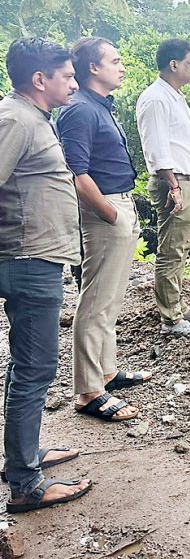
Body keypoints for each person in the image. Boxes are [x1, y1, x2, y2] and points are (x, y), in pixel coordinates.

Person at [0, 37, 92, 513]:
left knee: (26, 366)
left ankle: (23, 455)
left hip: (36, 257)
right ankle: (25, 484)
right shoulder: (15, 118)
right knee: (35, 369)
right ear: (40, 80)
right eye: (68, 76)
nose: (75, 84)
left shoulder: (33, 118)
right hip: (27, 259)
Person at [56, 37, 150, 422]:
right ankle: (88, 391)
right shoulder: (78, 110)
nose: (122, 65)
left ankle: (106, 371)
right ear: (93, 68)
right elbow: (77, 174)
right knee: (95, 301)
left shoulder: (99, 106)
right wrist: (112, 214)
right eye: (115, 60)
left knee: (109, 300)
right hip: (104, 210)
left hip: (118, 204)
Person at [135, 38, 190, 337]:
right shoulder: (155, 98)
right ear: (174, 64)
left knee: (181, 248)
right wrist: (173, 185)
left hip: (187, 181)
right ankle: (171, 319)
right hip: (175, 182)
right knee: (171, 250)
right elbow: (156, 146)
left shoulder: (174, 96)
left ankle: (177, 306)